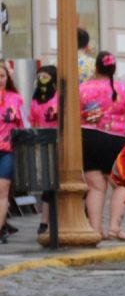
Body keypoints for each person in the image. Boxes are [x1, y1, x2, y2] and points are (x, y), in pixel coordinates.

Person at [80, 52, 125, 240]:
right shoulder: (123, 88)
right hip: (115, 139)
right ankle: (114, 227)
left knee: (95, 186)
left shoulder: (83, 88)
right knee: (121, 184)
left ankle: (95, 229)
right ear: (114, 68)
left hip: (87, 138)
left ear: (95, 68)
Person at [29, 65, 58, 235]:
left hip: (59, 145)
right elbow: (32, 122)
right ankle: (44, 222)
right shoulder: (35, 100)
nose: (42, 81)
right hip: (43, 146)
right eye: (40, 77)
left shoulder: (59, 97)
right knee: (48, 184)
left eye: (46, 77)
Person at [0, 63, 23, 243]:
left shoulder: (16, 98)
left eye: (2, 75)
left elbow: (23, 125)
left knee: (2, 190)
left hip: (7, 150)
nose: (0, 80)